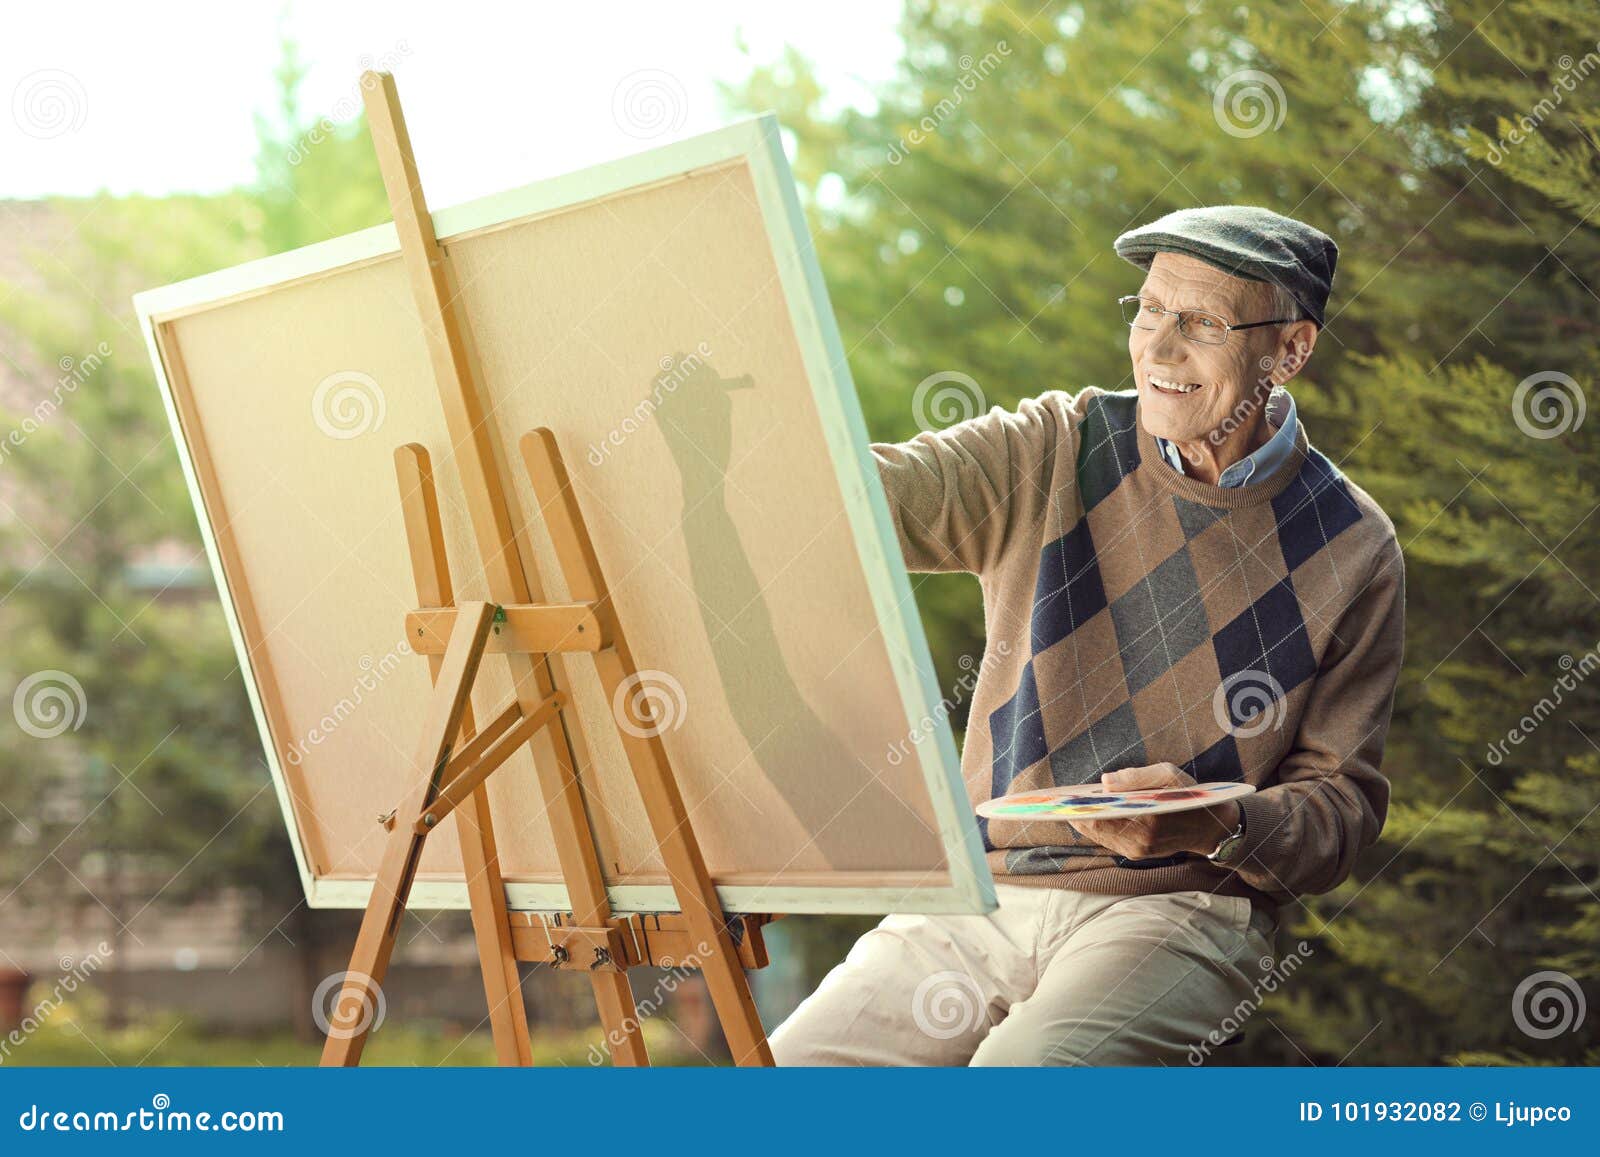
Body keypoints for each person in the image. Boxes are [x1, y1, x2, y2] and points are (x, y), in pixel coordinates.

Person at [771, 205, 1406, 1066]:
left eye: (1202, 323)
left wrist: (1214, 823)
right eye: (1148, 310)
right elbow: (863, 494)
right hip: (986, 895)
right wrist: (744, 444)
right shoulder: (1057, 446)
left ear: (1290, 349)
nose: (1158, 346)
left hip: (1183, 908)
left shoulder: (1353, 545)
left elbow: (1340, 808)